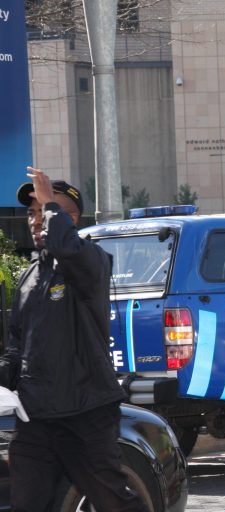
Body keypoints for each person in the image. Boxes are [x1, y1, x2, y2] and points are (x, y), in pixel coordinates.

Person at [0, 167, 147, 511]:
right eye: (32, 213)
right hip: (36, 417)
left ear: (72, 219)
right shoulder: (29, 277)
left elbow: (68, 247)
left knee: (112, 500)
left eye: (44, 211)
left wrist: (50, 204)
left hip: (86, 411)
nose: (36, 220)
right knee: (27, 503)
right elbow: (17, 348)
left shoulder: (91, 262)